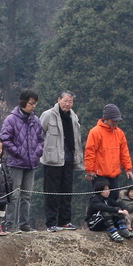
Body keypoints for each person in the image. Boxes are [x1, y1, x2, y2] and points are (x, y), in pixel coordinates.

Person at [0, 89, 44, 233]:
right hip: (16, 163)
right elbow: (5, 139)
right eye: (31, 103)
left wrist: (37, 153)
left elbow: (41, 140)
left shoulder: (36, 120)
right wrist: (18, 152)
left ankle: (24, 224)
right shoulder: (11, 120)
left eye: (35, 104)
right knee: (15, 195)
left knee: (27, 195)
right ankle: (11, 225)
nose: (33, 106)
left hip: (31, 163)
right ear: (23, 103)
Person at [40, 91, 83, 232]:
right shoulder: (48, 115)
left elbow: (77, 139)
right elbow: (38, 135)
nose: (67, 104)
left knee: (67, 192)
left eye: (70, 102)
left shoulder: (73, 116)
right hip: (52, 160)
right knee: (52, 192)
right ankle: (51, 222)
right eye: (65, 100)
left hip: (69, 159)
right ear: (59, 99)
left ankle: (65, 221)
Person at [84, 104, 133, 194]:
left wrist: (128, 169)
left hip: (114, 174)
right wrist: (89, 170)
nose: (116, 122)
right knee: (100, 200)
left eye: (117, 120)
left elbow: (124, 152)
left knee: (114, 197)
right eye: (113, 120)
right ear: (106, 119)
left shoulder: (120, 133)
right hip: (99, 174)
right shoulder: (95, 132)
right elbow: (90, 152)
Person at [85, 178, 133, 243]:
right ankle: (113, 233)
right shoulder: (94, 199)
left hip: (104, 223)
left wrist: (124, 209)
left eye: (108, 189)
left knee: (118, 209)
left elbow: (119, 203)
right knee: (107, 212)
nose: (108, 192)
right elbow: (104, 207)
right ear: (99, 190)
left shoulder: (108, 199)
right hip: (93, 223)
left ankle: (122, 229)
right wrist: (117, 211)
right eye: (105, 190)